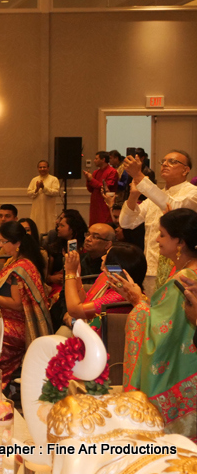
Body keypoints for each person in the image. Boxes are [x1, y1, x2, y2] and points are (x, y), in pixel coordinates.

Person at [114, 208, 197, 439]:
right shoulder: (187, 270)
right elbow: (166, 315)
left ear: (179, 240)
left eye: (161, 234)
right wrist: (140, 299)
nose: (157, 240)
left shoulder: (185, 277)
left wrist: (138, 303)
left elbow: (160, 328)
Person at [119, 150, 197, 294]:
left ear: (186, 170)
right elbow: (126, 223)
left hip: (179, 267)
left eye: (172, 162)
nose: (165, 164)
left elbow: (175, 209)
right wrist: (133, 195)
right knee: (152, 312)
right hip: (150, 266)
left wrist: (138, 176)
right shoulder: (155, 196)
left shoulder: (192, 193)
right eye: (163, 161)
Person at [0, 221, 52, 389]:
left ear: (17, 243)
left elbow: (17, 305)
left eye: (3, 241)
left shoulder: (22, 267)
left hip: (19, 324)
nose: (0, 245)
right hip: (6, 316)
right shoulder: (13, 261)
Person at [60, 242, 145, 337]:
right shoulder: (105, 277)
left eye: (106, 256)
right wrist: (76, 274)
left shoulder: (119, 296)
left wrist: (70, 272)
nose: (102, 257)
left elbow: (75, 310)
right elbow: (85, 301)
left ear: (115, 267)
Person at [45, 209, 87, 330]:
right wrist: (52, 278)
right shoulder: (54, 248)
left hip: (77, 283)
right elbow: (45, 276)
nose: (58, 228)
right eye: (58, 225)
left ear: (72, 229)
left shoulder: (85, 248)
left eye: (62, 226)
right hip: (57, 285)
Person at [84, 151, 118, 225]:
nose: (94, 160)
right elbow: (91, 189)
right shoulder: (96, 172)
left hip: (105, 203)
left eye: (96, 159)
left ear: (103, 160)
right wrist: (88, 179)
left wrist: (91, 179)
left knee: (104, 224)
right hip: (95, 204)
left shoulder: (112, 172)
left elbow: (106, 188)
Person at [27, 160, 59, 235]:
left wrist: (44, 188)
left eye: (44, 167)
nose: (42, 169)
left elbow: (55, 192)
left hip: (49, 211)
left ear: (48, 168)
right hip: (37, 211)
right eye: (40, 167)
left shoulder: (53, 179)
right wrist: (37, 189)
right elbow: (29, 193)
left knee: (49, 228)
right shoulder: (34, 180)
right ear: (38, 168)